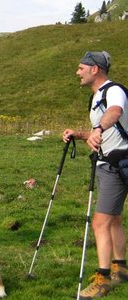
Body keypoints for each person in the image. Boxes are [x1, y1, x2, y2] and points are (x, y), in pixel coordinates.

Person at [62, 51, 128, 299]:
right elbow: (101, 131)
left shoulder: (113, 91)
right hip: (113, 162)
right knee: (114, 219)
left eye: (81, 68)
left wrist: (99, 127)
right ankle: (120, 268)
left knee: (100, 222)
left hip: (118, 162)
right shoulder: (97, 97)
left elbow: (116, 112)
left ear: (95, 69)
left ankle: (103, 279)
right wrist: (80, 134)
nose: (77, 72)